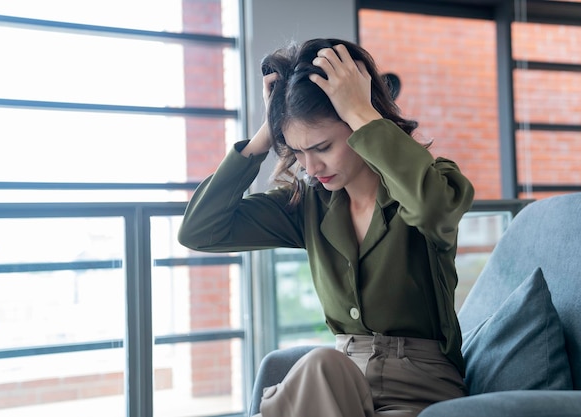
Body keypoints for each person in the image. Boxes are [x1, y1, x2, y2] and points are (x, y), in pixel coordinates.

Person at [178, 38, 475, 417]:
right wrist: (264, 134)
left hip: (419, 390)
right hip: (335, 386)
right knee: (324, 363)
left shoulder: (431, 183)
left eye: (322, 146)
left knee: (322, 364)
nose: (311, 167)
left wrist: (361, 110)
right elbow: (200, 231)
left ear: (358, 122)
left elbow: (432, 209)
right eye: (298, 152)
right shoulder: (308, 206)